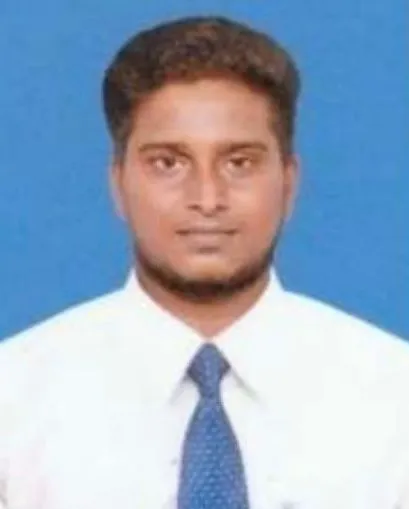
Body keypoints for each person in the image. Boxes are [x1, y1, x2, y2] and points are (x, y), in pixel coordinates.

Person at [0, 15, 408, 509]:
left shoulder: (394, 399)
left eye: (240, 162)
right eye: (168, 163)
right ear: (118, 183)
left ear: (289, 182)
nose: (208, 198)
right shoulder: (14, 401)